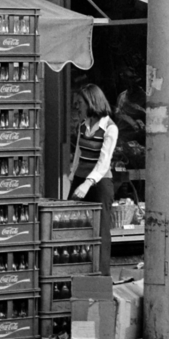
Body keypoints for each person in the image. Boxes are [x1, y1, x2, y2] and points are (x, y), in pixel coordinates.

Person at [67, 84, 118, 272]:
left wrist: (88, 183)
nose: (77, 107)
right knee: (73, 224)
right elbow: (79, 153)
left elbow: (104, 162)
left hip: (99, 183)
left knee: (101, 231)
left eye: (80, 103)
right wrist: (73, 178)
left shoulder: (110, 128)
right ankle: (75, 269)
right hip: (81, 180)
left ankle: (102, 275)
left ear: (91, 102)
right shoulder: (82, 125)